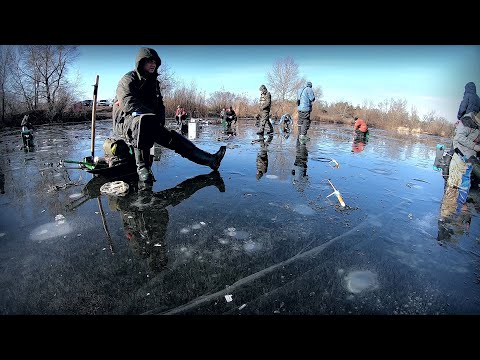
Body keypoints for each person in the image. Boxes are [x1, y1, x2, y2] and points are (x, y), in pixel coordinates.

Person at [112, 48, 226, 185]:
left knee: (173, 139)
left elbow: (160, 105)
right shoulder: (128, 79)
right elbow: (127, 103)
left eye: (155, 62)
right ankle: (143, 169)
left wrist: (160, 121)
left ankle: (211, 160)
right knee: (141, 121)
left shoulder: (154, 83)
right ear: (141, 63)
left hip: (149, 121)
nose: (153, 64)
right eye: (149, 62)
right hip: (127, 122)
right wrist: (150, 115)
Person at [107, 171, 225, 272]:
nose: (162, 255)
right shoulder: (148, 248)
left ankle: (208, 180)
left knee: (181, 192)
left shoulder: (145, 249)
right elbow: (133, 229)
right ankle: (209, 180)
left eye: (161, 258)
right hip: (146, 207)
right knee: (181, 192)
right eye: (163, 258)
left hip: (146, 205)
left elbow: (131, 230)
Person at [439, 111, 480, 238]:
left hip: (469, 162)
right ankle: (444, 222)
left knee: (462, 190)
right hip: (461, 159)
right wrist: (475, 147)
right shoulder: (467, 121)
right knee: (453, 189)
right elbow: (458, 138)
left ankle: (452, 220)